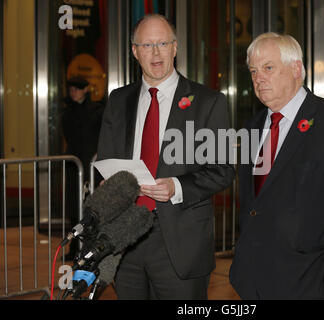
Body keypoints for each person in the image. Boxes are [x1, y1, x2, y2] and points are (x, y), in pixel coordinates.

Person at [96, 14, 235, 300]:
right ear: (135, 51)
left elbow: (223, 170)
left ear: (175, 47)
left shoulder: (209, 102)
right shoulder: (118, 100)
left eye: (162, 43)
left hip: (180, 242)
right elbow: (107, 160)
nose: (156, 52)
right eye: (147, 45)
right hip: (126, 238)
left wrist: (177, 186)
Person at [229, 32, 324, 300]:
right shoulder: (252, 127)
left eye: (268, 68)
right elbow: (253, 203)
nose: (258, 78)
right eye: (253, 71)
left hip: (311, 284)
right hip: (253, 282)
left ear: (296, 68)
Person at [61, 76, 104, 259]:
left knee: (91, 208)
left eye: (77, 89)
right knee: (73, 207)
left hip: (91, 166)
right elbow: (69, 134)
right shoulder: (68, 111)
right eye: (71, 89)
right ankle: (75, 247)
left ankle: (91, 246)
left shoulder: (96, 110)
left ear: (86, 89)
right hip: (74, 165)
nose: (73, 92)